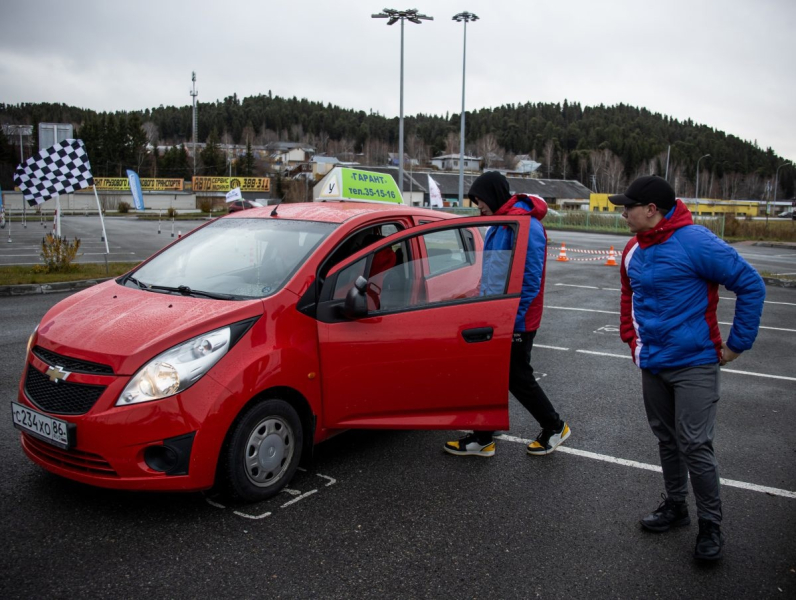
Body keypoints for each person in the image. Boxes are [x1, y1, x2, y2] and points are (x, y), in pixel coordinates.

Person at [609, 175, 765, 561]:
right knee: (667, 440)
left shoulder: (695, 241)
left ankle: (711, 525)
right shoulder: (633, 247)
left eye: (628, 206)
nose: (623, 212)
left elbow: (751, 284)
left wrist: (736, 345)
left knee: (695, 444)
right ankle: (676, 507)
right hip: (652, 363)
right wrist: (631, 337)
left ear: (651, 210)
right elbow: (630, 293)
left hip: (694, 363)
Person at [444, 171, 571, 458]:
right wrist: (478, 300)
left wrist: (511, 321)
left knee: (517, 376)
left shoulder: (526, 226)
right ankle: (483, 436)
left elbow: (530, 280)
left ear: (493, 196)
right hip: (496, 315)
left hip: (516, 319)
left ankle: (554, 426)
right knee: (489, 374)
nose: (479, 207)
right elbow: (493, 272)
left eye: (480, 200)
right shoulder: (500, 225)